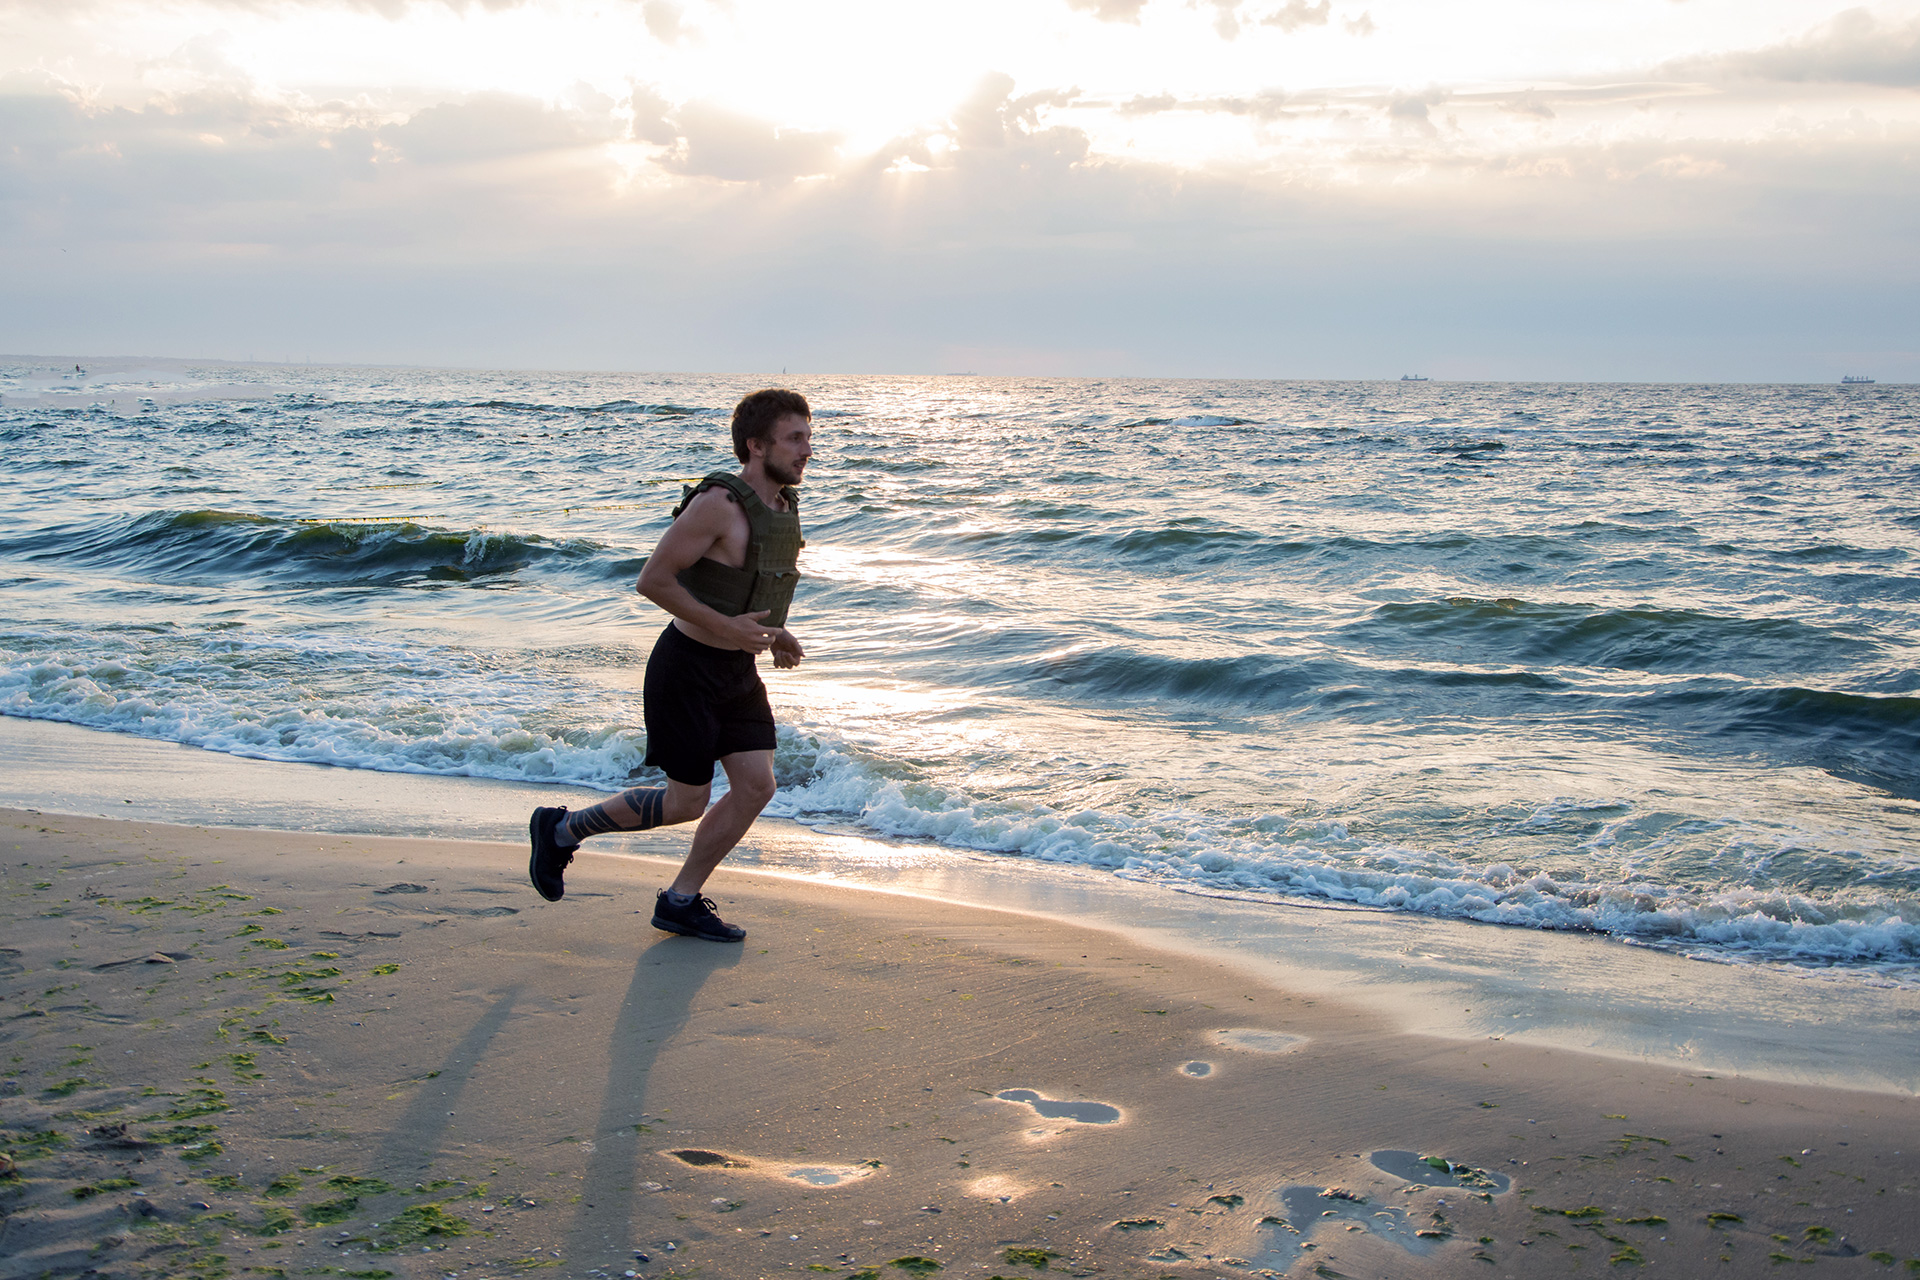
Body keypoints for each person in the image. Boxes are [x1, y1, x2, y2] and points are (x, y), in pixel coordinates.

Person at [526, 388, 813, 942]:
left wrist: (775, 633)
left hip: (737, 673)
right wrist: (730, 630)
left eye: (808, 437)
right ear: (756, 445)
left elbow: (742, 587)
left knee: (756, 786)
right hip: (687, 669)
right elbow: (653, 579)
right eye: (794, 438)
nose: (807, 450)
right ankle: (561, 830)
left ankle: (680, 900)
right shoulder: (717, 504)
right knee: (687, 801)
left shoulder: (781, 507)